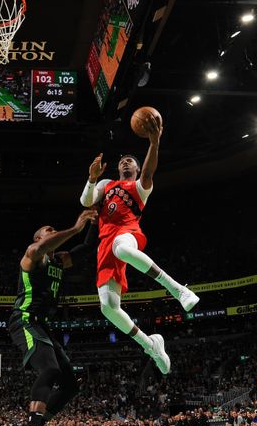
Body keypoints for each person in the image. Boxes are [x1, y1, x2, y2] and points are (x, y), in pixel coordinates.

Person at [80, 113, 199, 374]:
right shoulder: (106, 183)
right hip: (104, 243)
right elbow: (85, 202)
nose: (125, 163)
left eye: (130, 161)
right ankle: (151, 345)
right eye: (122, 161)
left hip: (127, 232)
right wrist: (91, 179)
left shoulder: (140, 187)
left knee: (123, 248)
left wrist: (154, 143)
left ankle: (179, 290)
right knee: (108, 308)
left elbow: (149, 169)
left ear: (135, 169)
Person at [9, 209, 98, 426]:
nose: (53, 232)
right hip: (25, 319)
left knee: (70, 384)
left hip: (44, 326)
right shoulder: (33, 255)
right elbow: (46, 245)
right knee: (50, 369)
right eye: (48, 231)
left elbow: (88, 248)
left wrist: (94, 220)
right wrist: (75, 227)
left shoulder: (59, 259)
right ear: (38, 239)